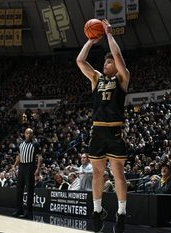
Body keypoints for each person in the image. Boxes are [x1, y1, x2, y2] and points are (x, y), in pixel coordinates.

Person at [76, 19, 130, 233]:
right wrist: (90, 41)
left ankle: (122, 213)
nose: (105, 65)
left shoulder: (123, 78)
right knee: (97, 173)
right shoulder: (96, 78)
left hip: (115, 130)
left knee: (118, 173)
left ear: (116, 66)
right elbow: (80, 61)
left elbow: (117, 56)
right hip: (97, 130)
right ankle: (97, 211)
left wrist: (108, 34)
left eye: (108, 63)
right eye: (105, 63)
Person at [11, 128, 42, 219]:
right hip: (21, 167)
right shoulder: (21, 144)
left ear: (32, 135)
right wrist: (14, 165)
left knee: (29, 190)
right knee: (19, 189)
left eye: (30, 133)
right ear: (24, 134)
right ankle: (19, 209)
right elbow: (19, 155)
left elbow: (40, 157)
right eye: (27, 133)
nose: (28, 134)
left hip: (30, 167)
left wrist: (37, 169)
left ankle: (29, 212)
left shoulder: (35, 144)